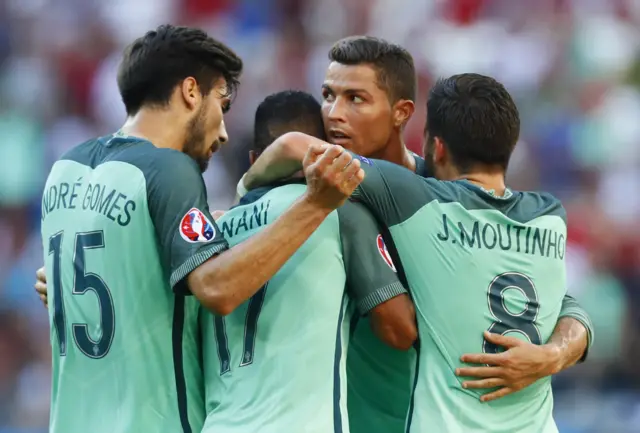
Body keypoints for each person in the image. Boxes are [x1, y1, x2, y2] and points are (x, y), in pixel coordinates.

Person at [236, 37, 593, 433]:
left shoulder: (428, 195)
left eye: (356, 98)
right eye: (328, 95)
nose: (334, 114)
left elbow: (563, 302)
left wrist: (553, 355)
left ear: (401, 112)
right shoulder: (317, 192)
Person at [38, 25, 363, 433]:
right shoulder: (169, 168)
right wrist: (315, 205)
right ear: (191, 92)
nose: (224, 132)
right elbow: (216, 288)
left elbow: (76, 284)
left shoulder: (64, 170)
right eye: (222, 105)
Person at [199, 89, 416, 433]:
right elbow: (398, 328)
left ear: (258, 157)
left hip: (219, 423)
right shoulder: (337, 211)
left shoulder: (213, 229)